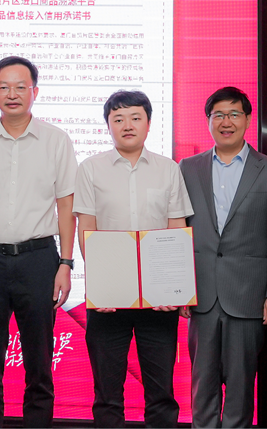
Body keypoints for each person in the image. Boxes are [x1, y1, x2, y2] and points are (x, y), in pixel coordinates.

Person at [0, 56, 78, 428]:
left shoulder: (56, 141)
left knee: (39, 362)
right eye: (4, 87)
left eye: (20, 87)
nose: (12, 94)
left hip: (38, 260)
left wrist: (66, 264)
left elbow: (66, 205)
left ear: (34, 91)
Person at [74, 90, 193, 428]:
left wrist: (173, 289)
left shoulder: (168, 169)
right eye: (118, 119)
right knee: (107, 393)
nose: (127, 125)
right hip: (108, 300)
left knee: (161, 392)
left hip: (158, 301)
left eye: (135, 117)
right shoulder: (91, 169)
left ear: (149, 123)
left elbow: (176, 228)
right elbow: (87, 229)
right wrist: (101, 287)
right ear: (108, 125)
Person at [179, 86, 267, 428]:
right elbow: (177, 231)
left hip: (249, 295)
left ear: (247, 120)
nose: (226, 122)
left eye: (234, 114)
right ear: (208, 121)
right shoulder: (187, 168)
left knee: (242, 388)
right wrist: (179, 288)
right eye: (218, 115)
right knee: (202, 386)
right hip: (202, 294)